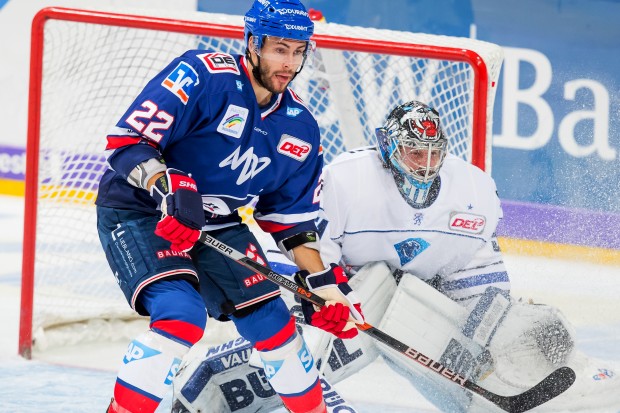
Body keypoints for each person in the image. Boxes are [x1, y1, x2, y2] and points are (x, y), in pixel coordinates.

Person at [172, 100, 617, 412]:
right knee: (305, 347)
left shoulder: (474, 189)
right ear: (388, 146)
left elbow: (477, 268)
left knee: (497, 342)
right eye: (413, 151)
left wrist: (486, 332)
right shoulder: (345, 181)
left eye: (432, 152)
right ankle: (208, 382)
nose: (424, 163)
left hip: (416, 296)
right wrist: (332, 296)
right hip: (336, 294)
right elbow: (297, 248)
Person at [95, 1, 364, 412]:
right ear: (252, 43)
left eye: (298, 51)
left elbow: (289, 219)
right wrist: (168, 186)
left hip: (217, 223)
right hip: (142, 208)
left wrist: (324, 286)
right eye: (279, 48)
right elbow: (127, 142)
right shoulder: (203, 75)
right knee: (180, 315)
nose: (289, 63)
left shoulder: (301, 127)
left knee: (274, 325)